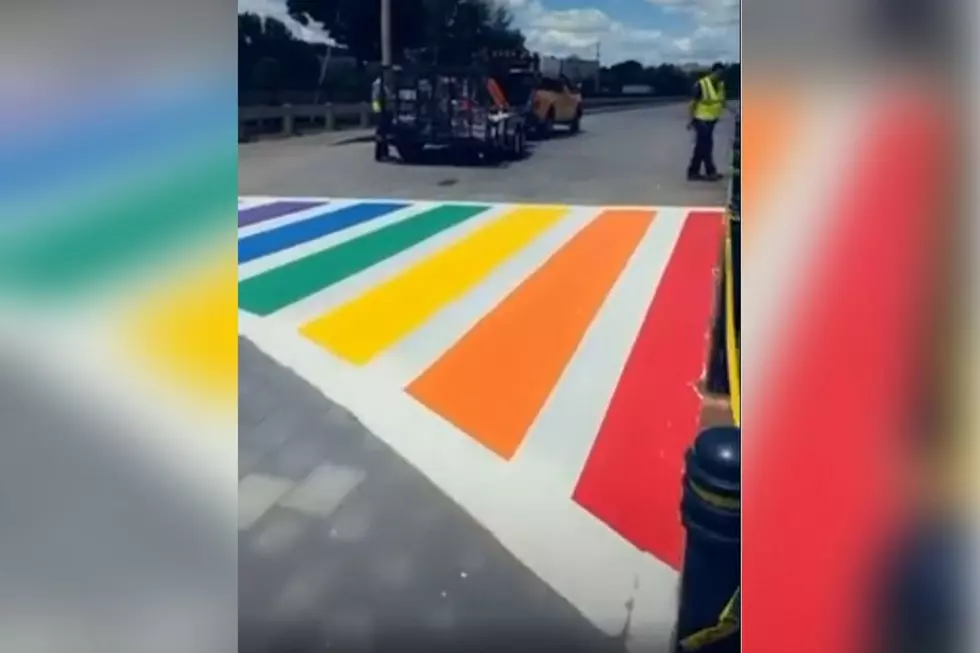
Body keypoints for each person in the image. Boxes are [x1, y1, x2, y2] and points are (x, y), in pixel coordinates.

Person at [687, 62, 727, 182]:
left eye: (721, 73)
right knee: (706, 145)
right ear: (713, 71)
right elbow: (693, 103)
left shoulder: (720, 85)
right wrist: (692, 119)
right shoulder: (702, 84)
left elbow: (720, 101)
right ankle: (710, 171)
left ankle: (693, 172)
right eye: (718, 73)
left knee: (702, 146)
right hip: (701, 118)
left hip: (712, 119)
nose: (719, 75)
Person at [372, 75, 391, 161]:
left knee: (384, 133)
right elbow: (375, 98)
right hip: (381, 111)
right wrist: (377, 111)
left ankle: (384, 153)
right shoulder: (378, 84)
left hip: (386, 110)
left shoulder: (386, 84)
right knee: (381, 134)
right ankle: (380, 154)